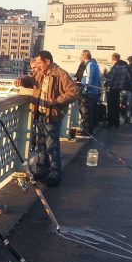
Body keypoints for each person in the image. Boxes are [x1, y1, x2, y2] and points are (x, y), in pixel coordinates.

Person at [17, 50, 78, 186]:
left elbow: (74, 92)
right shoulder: (40, 73)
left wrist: (56, 101)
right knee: (40, 144)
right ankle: (41, 171)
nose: (37, 66)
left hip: (52, 115)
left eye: (39, 63)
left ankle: (55, 174)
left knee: (52, 146)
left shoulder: (60, 74)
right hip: (39, 113)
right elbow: (31, 81)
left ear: (47, 62)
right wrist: (22, 80)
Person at [76, 49, 101, 135]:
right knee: (89, 112)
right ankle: (88, 130)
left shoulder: (90, 65)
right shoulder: (95, 65)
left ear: (83, 57)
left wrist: (84, 90)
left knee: (85, 112)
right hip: (94, 92)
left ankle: (86, 131)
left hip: (88, 93)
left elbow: (88, 79)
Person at [104, 53, 131, 128]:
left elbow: (110, 78)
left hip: (112, 89)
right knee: (117, 106)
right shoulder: (124, 67)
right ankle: (117, 122)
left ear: (114, 59)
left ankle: (111, 122)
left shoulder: (115, 67)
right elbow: (128, 77)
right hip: (119, 89)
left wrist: (105, 73)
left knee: (111, 106)